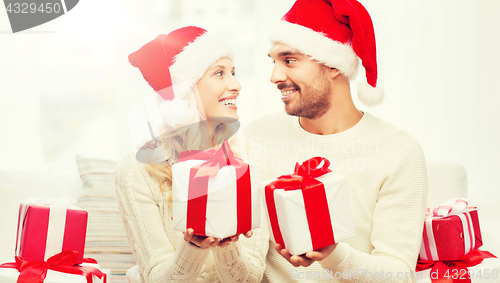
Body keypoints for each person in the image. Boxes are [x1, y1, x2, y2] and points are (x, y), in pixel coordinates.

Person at [243, 0, 428, 282]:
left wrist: (332, 255)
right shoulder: (257, 137)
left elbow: (398, 274)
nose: (275, 76)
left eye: (289, 60)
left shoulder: (398, 152)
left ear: (333, 66)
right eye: (274, 61)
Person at [115, 26, 268, 283]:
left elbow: (251, 276)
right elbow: (156, 277)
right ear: (185, 91)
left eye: (233, 72)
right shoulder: (137, 170)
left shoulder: (254, 159)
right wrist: (194, 248)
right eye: (219, 73)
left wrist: (227, 244)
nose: (236, 84)